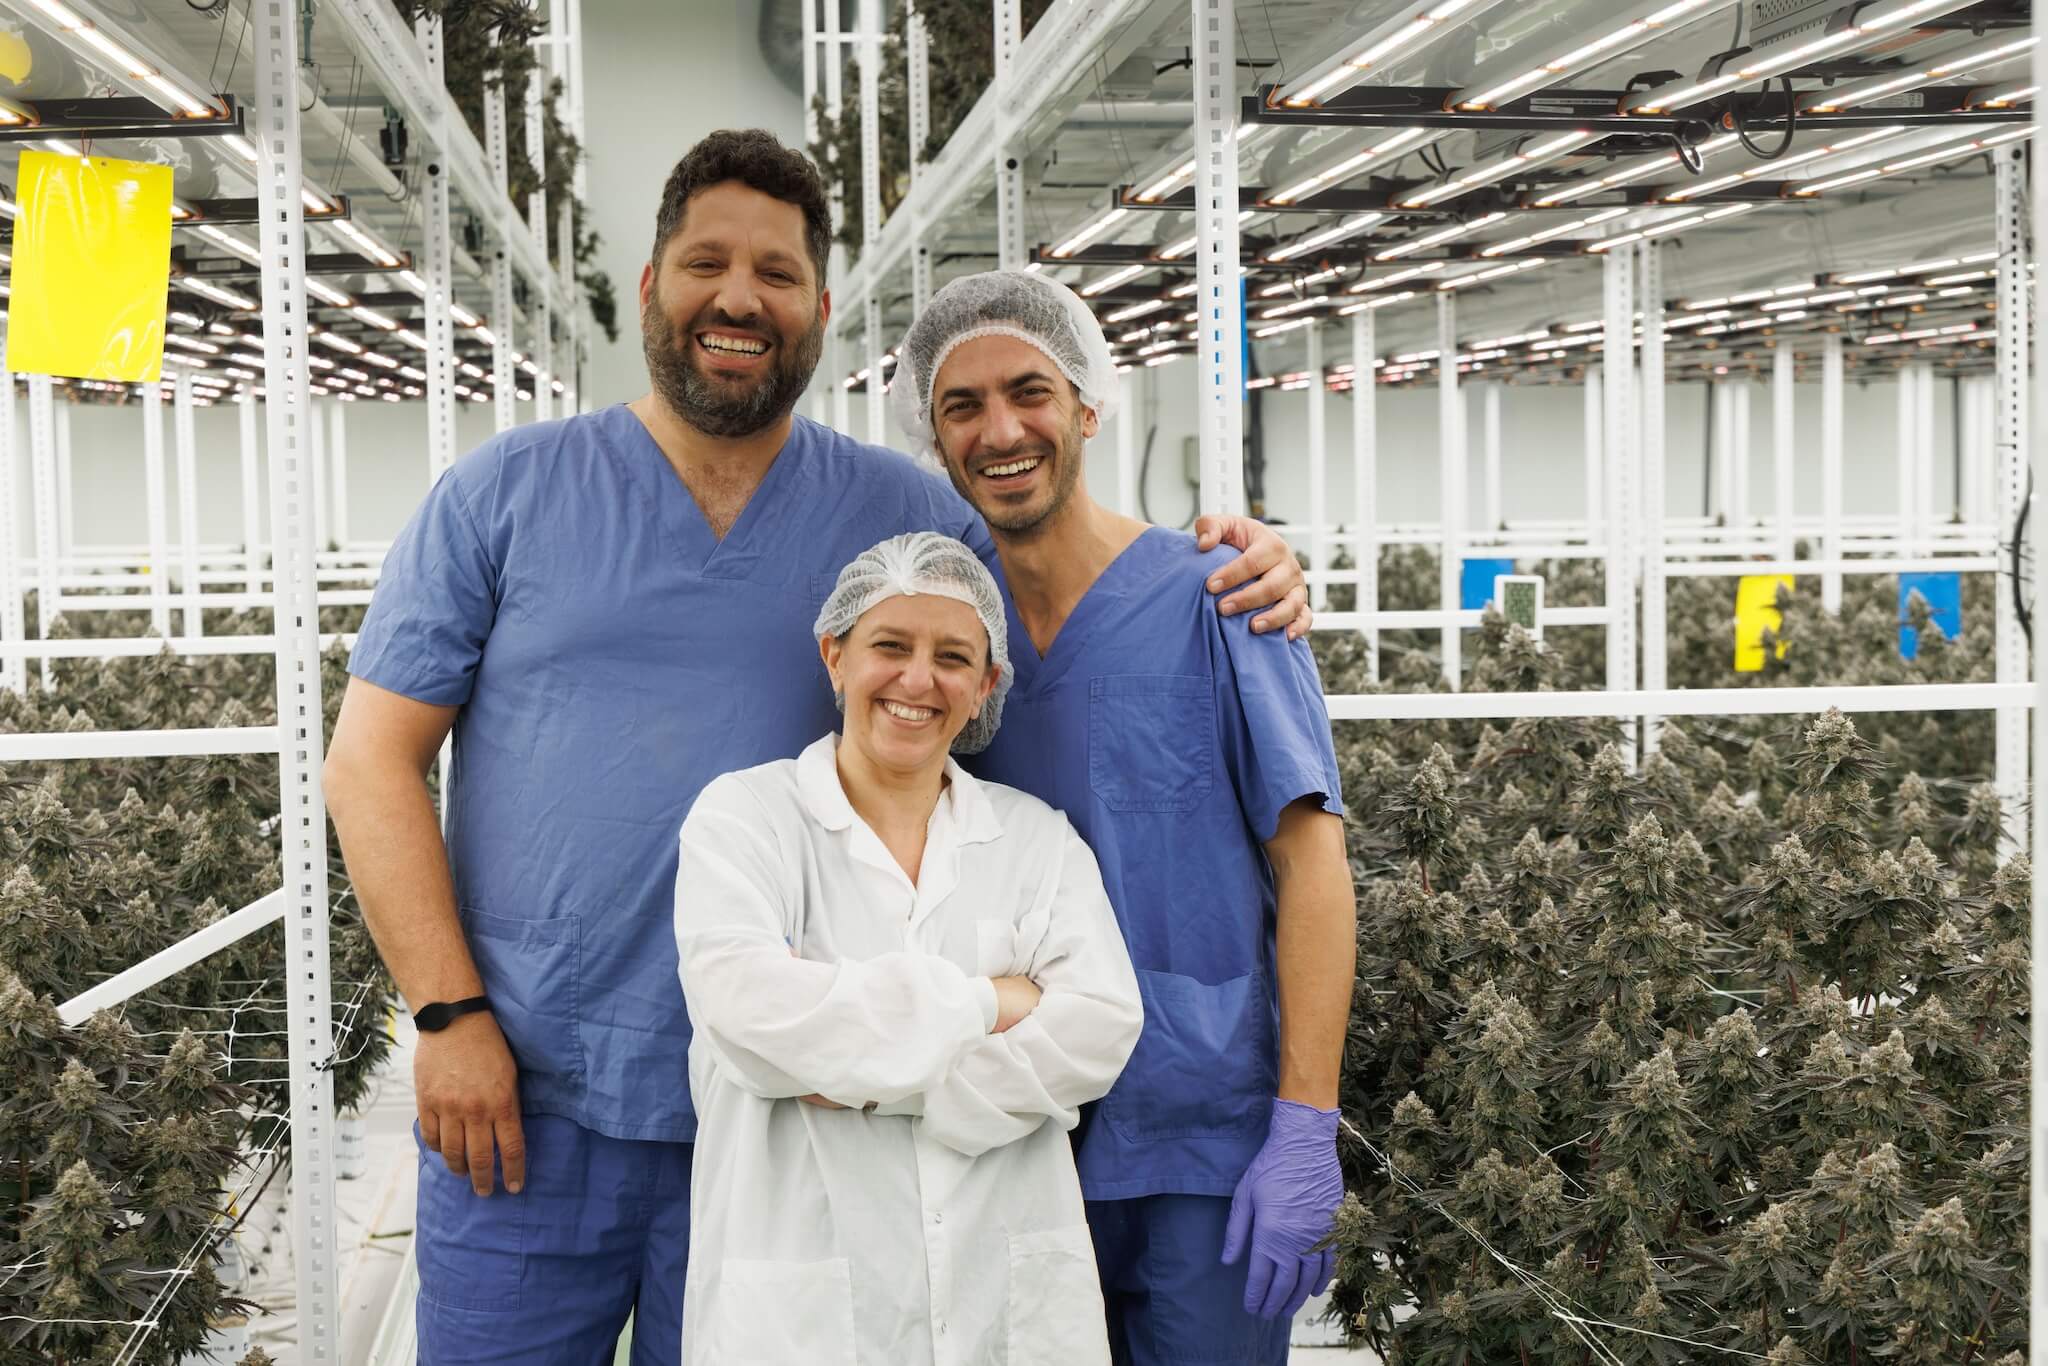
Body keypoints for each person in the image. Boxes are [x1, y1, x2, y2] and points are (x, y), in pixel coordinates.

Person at [322, 128, 1308, 1365]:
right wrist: (448, 1014)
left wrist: (1232, 555)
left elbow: (1058, 565)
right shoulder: (502, 495)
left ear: (820, 310)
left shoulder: (899, 511)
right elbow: (368, 761)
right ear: (651, 286)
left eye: (776, 274)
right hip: (527, 1099)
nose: (738, 298)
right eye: (705, 263)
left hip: (806, 1116)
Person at [890, 271, 1359, 1366]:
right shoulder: (944, 637)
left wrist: (1304, 1124)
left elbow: (1313, 864)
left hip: (1198, 1138)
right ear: (934, 436)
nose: (1000, 429)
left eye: (1029, 392)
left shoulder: (1222, 597)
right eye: (961, 406)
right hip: (1004, 1130)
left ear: (1087, 407)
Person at [675, 531, 1142, 1366]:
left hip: (1004, 1295)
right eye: (889, 645)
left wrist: (874, 1079)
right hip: (803, 1309)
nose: (917, 680)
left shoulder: (1036, 841)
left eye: (953, 657)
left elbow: (1100, 1026)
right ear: (835, 656)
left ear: (985, 686)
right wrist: (989, 1002)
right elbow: (748, 1016)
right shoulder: (744, 819)